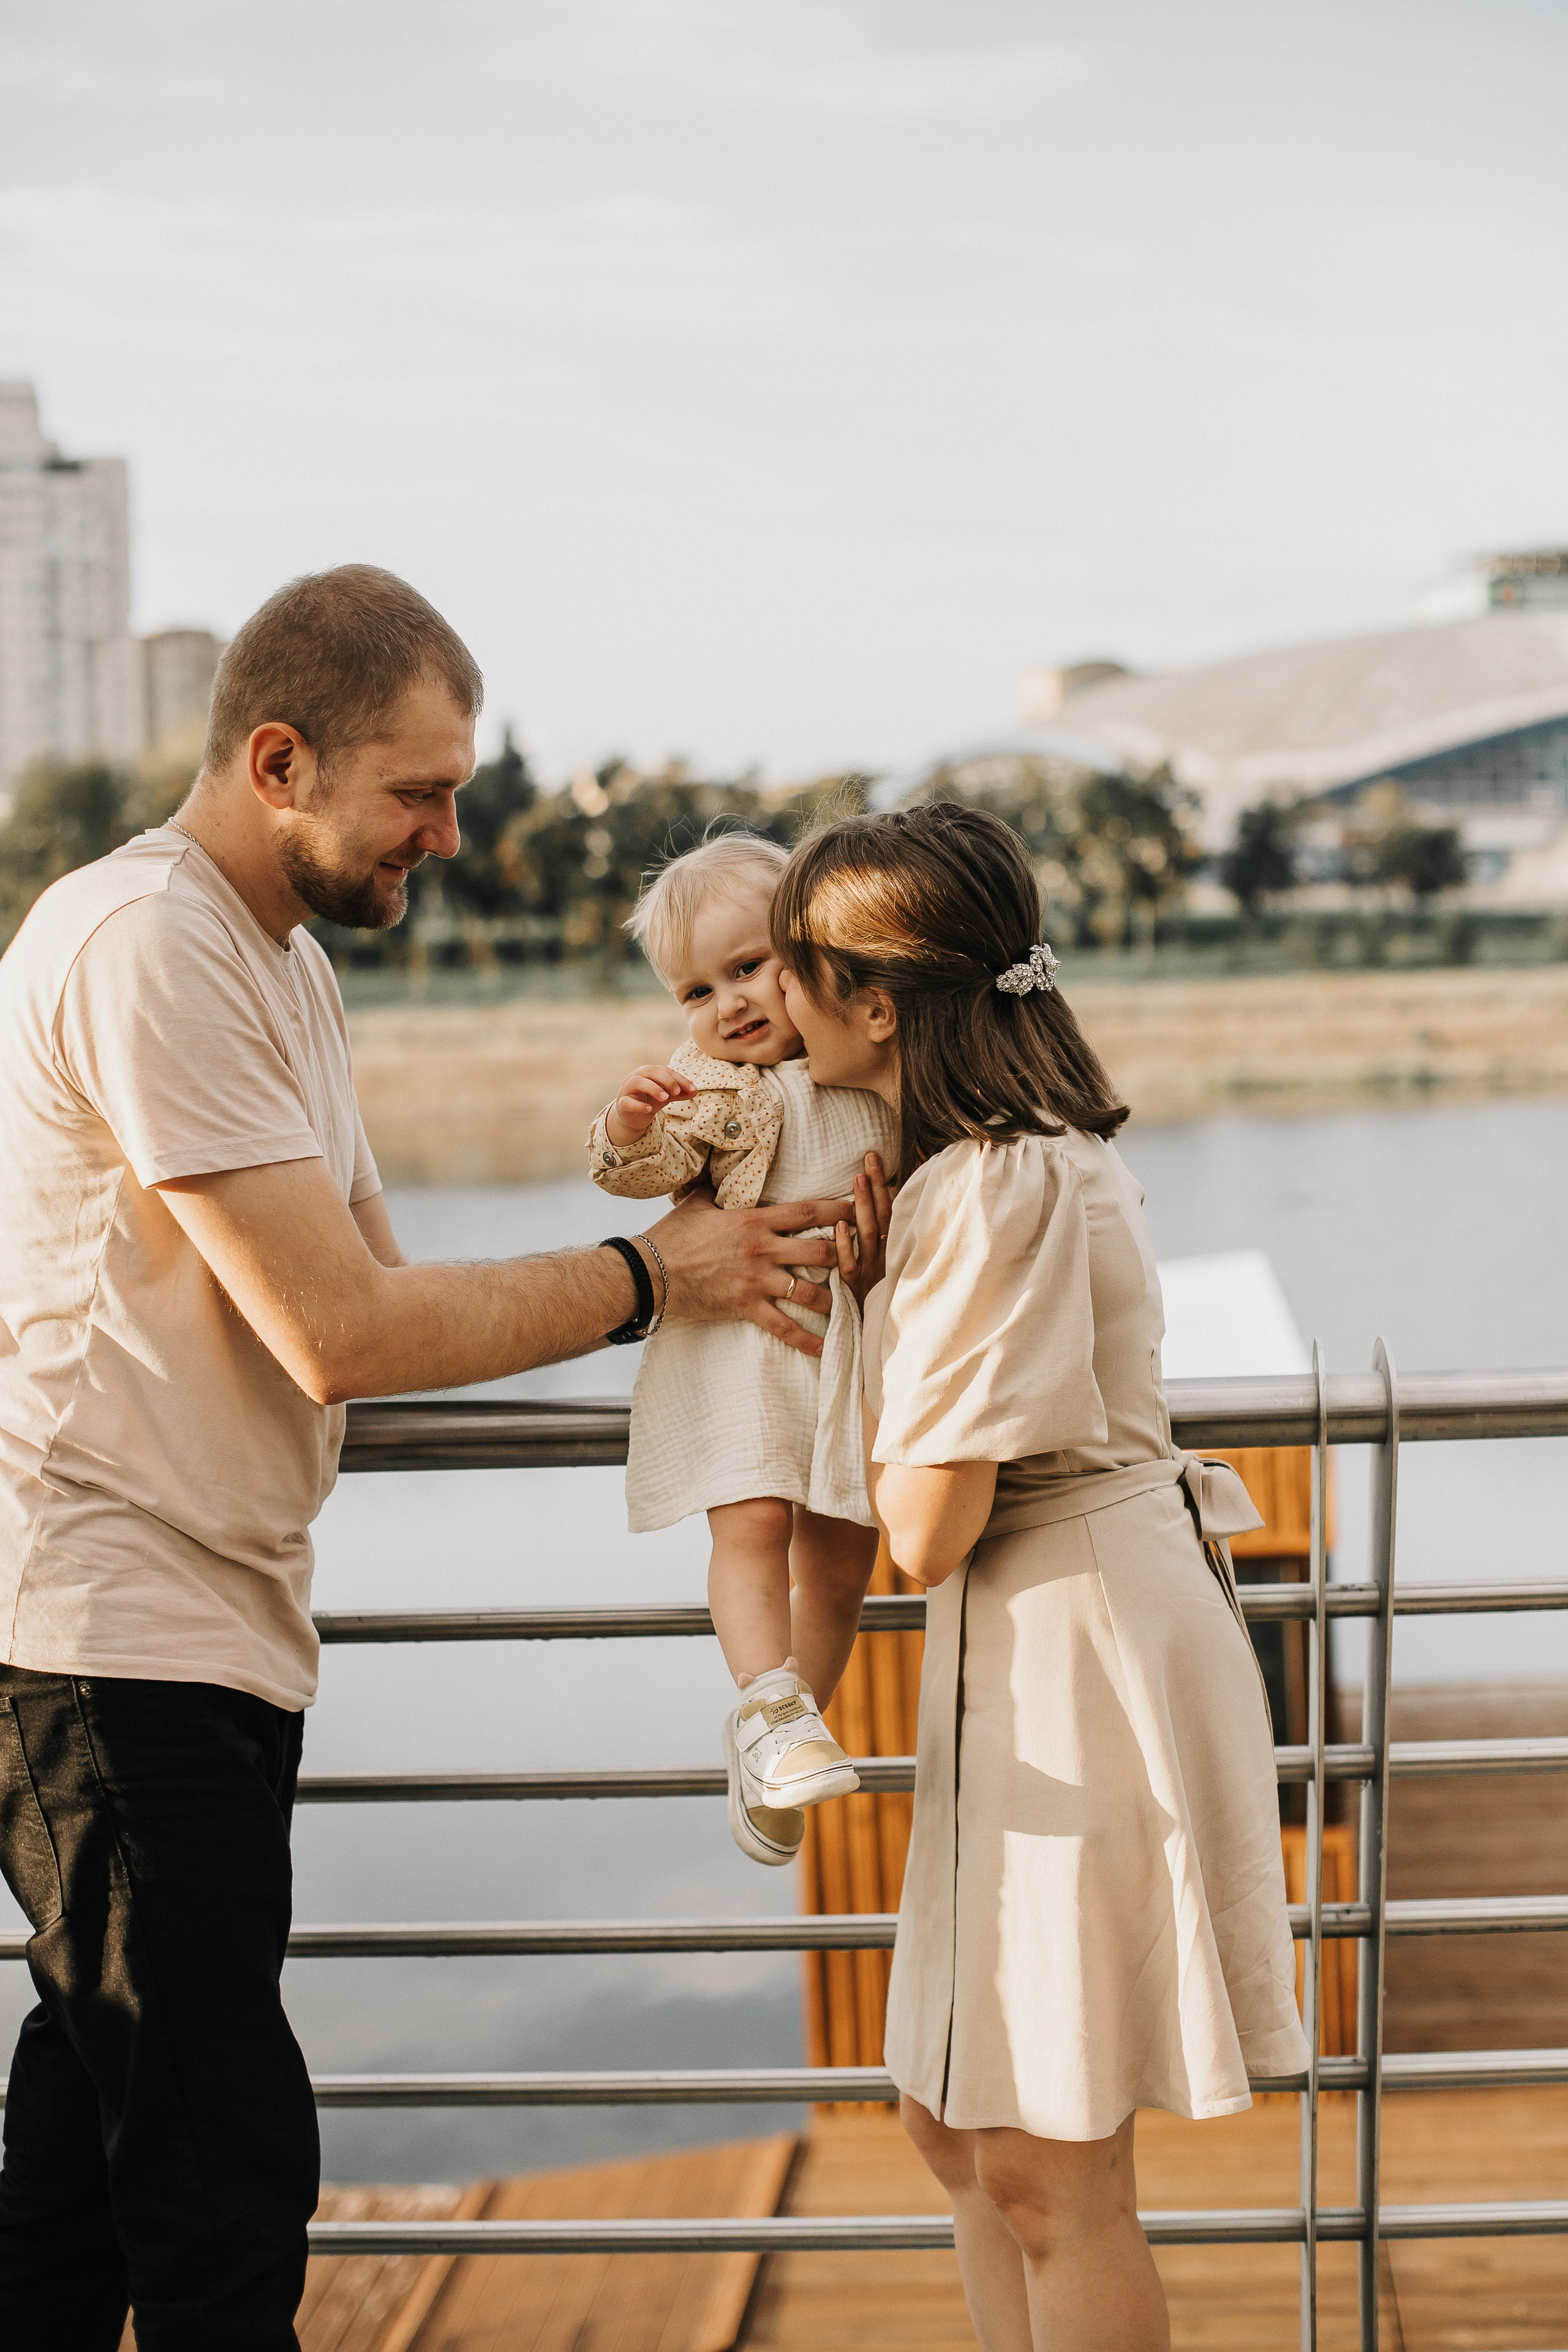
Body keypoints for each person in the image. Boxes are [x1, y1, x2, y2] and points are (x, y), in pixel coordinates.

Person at [0, 565, 882, 2352]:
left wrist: (669, 1217)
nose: (453, 831)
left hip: (214, 1621)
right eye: (420, 791)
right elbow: (344, 1336)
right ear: (277, 761)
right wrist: (662, 1277)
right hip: (107, 1628)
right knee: (224, 2176)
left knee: (94, 2148)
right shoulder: (146, 943)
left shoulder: (286, 970)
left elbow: (393, 1294)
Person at [771, 803, 1308, 2352]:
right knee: (966, 2129)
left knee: (1042, 2160)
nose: (775, 1005)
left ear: (876, 1004)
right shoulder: (976, 1178)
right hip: (1036, 1634)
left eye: (794, 973)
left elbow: (927, 1528)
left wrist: (867, 1321)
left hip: (1069, 1638)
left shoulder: (995, 1186)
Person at [589, 832, 899, 1865]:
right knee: (756, 1524)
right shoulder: (714, 1087)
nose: (726, 1006)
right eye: (694, 990)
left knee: (847, 1556)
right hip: (742, 1354)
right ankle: (768, 1709)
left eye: (749, 966)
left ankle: (787, 1731)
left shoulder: (872, 1057)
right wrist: (634, 1129)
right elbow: (651, 1168)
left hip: (843, 1348)